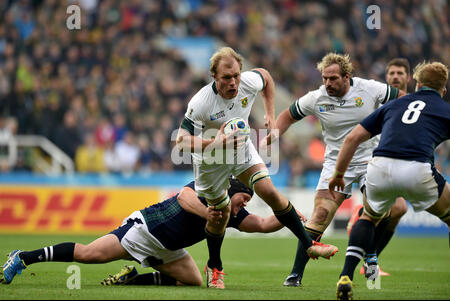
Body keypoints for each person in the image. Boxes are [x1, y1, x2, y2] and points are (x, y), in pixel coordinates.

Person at [175, 47, 338, 288]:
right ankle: (215, 266)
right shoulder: (201, 102)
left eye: (236, 75)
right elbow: (181, 141)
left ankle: (309, 244)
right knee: (220, 216)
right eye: (226, 78)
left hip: (241, 149)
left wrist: (270, 115)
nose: (233, 82)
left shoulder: (248, 82)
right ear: (214, 77)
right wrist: (216, 142)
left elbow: (266, 77)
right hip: (211, 163)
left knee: (269, 190)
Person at [261, 52, 406, 287]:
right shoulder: (316, 98)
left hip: (372, 159)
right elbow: (288, 115)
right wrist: (274, 133)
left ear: (347, 77)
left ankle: (370, 256)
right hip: (336, 163)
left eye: (333, 78)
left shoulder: (369, 89)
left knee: (380, 211)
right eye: (324, 78)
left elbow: (403, 98)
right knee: (319, 215)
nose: (327, 83)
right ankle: (295, 275)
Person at [0, 178, 306, 287]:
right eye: (244, 199)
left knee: (194, 281)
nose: (245, 205)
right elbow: (184, 198)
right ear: (232, 191)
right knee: (89, 254)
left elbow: (265, 225)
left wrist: (291, 217)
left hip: (169, 250)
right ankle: (23, 257)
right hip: (145, 230)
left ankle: (133, 277)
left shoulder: (233, 214)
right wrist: (211, 214)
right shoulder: (209, 191)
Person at [330, 61, 450, 300]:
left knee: (369, 216)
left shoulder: (395, 104)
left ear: (417, 84)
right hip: (416, 169)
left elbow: (352, 138)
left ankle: (346, 275)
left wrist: (338, 174)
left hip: (379, 168)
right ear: (443, 90)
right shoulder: (444, 109)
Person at [348, 58, 412, 277]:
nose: (395, 77)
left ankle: (370, 259)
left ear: (408, 77)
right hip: (374, 161)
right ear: (386, 77)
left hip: (398, 162)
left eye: (400, 73)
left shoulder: (412, 104)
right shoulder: (379, 100)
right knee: (397, 208)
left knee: (397, 210)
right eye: (391, 73)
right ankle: (369, 260)